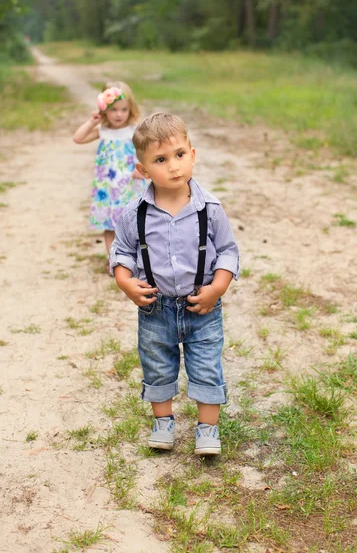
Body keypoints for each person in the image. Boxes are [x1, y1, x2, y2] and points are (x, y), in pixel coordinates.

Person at [110, 112, 239, 456]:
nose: (173, 166)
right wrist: (125, 282)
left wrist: (217, 288)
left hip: (202, 305)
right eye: (161, 160)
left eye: (180, 155)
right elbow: (121, 251)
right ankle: (163, 422)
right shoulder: (134, 213)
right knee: (157, 364)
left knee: (207, 364)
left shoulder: (208, 208)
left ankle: (207, 429)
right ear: (143, 169)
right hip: (156, 307)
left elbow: (227, 251)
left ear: (193, 155)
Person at [73, 80, 146, 256]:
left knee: (136, 223)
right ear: (104, 109)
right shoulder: (103, 131)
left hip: (131, 185)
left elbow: (147, 151)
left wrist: (142, 167)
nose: (119, 114)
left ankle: (138, 259)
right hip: (107, 187)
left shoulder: (134, 130)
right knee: (109, 225)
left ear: (131, 109)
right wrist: (92, 122)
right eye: (113, 109)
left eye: (124, 109)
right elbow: (78, 138)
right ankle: (113, 260)